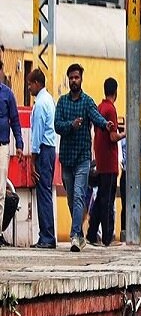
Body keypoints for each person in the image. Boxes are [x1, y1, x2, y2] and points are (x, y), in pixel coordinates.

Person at [54, 63, 115, 252]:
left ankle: (74, 236)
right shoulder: (62, 102)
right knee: (72, 199)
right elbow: (57, 125)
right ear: (68, 80)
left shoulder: (87, 102)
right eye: (71, 78)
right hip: (66, 158)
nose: (74, 80)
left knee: (80, 195)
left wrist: (106, 125)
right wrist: (71, 125)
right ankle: (79, 233)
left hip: (82, 159)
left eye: (77, 77)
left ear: (81, 79)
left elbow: (96, 117)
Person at [85, 78, 125, 247]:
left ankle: (92, 233)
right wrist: (125, 133)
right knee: (107, 200)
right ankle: (108, 238)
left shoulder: (100, 107)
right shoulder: (111, 109)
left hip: (100, 160)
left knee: (101, 198)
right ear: (116, 92)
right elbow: (113, 136)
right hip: (109, 161)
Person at [27, 69, 56, 249]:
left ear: (37, 83)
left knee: (43, 193)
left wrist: (33, 158)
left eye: (30, 84)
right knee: (46, 193)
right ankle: (47, 235)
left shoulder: (39, 105)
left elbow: (37, 134)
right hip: (51, 150)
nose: (29, 87)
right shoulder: (50, 100)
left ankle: (46, 237)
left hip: (43, 151)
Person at [117, 133, 141, 242]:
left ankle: (128, 229)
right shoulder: (135, 141)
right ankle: (137, 229)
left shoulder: (125, 141)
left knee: (129, 204)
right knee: (135, 204)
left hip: (129, 174)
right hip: (133, 175)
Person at [0, 59, 23, 198]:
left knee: (1, 191)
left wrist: (19, 144)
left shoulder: (7, 94)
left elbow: (14, 120)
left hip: (2, 146)